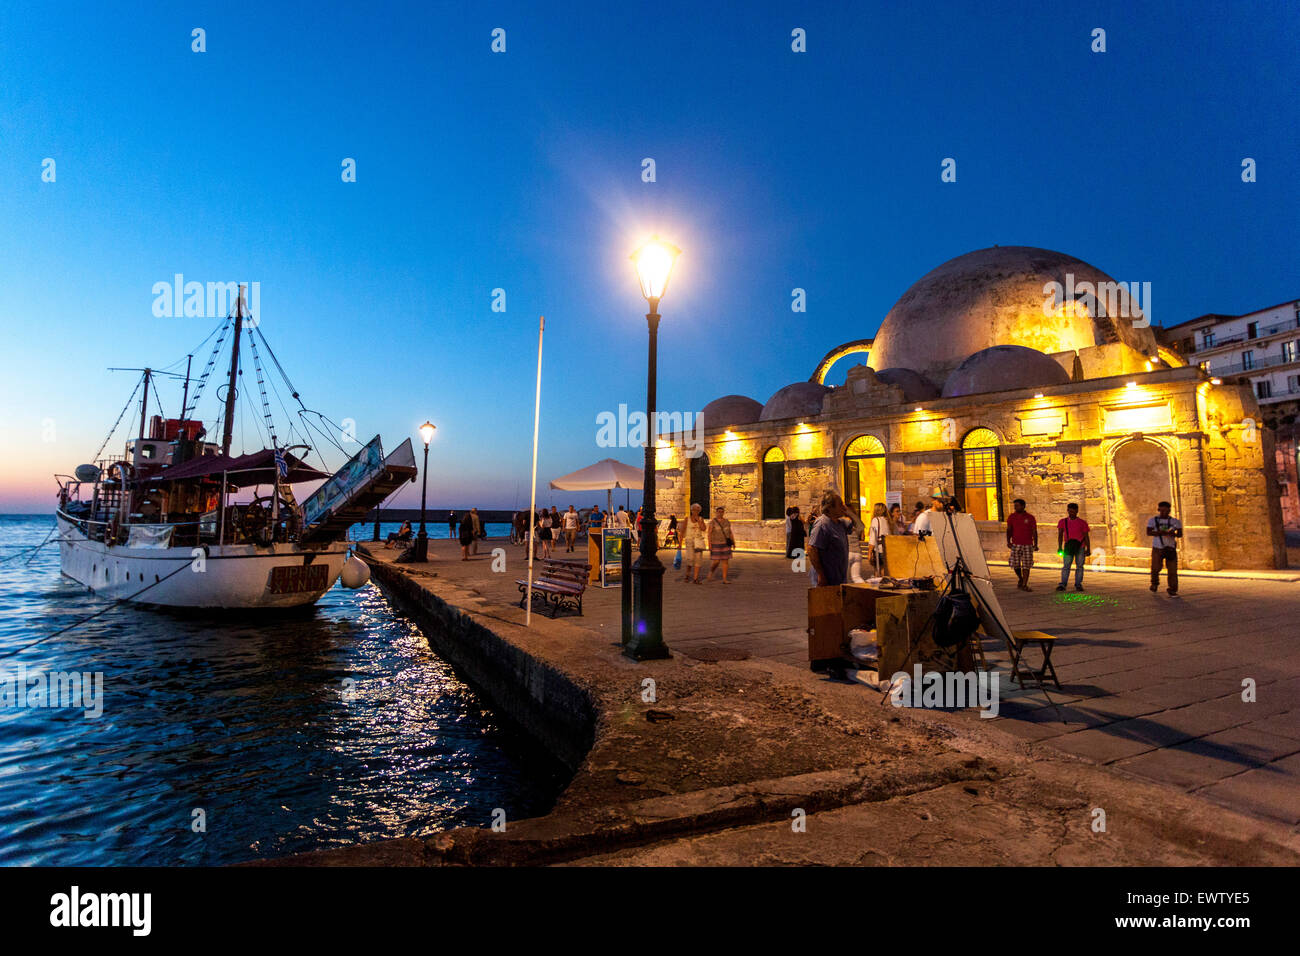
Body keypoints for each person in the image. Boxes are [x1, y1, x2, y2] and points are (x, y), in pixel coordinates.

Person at [807, 491, 850, 587]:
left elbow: (860, 527)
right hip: (826, 580)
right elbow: (811, 549)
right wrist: (821, 574)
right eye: (840, 505)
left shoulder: (841, 523)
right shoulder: (822, 524)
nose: (844, 507)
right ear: (830, 508)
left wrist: (849, 512)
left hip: (838, 578)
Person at [1148, 500, 1183, 596]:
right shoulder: (1153, 520)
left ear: (1169, 511)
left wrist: (1173, 533)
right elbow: (1149, 532)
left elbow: (1180, 534)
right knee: (1155, 568)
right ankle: (1154, 583)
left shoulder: (1175, 522)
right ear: (1158, 510)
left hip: (1170, 547)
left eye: (1166, 511)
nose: (1164, 513)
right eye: (1162, 511)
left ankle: (1172, 589)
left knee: (1172, 570)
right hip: (1157, 547)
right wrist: (1160, 532)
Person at [1056, 502, 1091, 591]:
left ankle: (1078, 584)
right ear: (1067, 511)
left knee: (1079, 566)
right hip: (1068, 547)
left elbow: (1086, 536)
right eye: (1070, 511)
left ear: (1077, 511)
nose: (1072, 513)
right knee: (1066, 566)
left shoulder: (1082, 523)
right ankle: (1063, 584)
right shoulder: (1062, 522)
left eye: (1073, 512)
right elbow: (1060, 535)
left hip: (1080, 546)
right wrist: (1060, 547)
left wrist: (1088, 548)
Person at [1006, 498, 1038, 591]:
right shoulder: (1011, 517)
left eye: (1017, 505)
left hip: (1027, 544)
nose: (1015, 507)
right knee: (1015, 564)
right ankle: (1020, 578)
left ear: (1023, 506)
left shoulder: (1030, 517)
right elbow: (1009, 529)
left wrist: (1035, 544)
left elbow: (1034, 531)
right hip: (1016, 543)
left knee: (1026, 564)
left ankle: (1024, 584)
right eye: (1015, 506)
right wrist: (1008, 541)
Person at [705, 505, 734, 583]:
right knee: (716, 561)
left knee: (725, 561)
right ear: (716, 513)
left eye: (722, 512)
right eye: (719, 512)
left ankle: (725, 579)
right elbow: (709, 533)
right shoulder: (713, 522)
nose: (720, 513)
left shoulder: (727, 521)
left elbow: (730, 532)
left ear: (723, 513)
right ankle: (711, 571)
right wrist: (709, 544)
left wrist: (733, 542)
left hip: (726, 543)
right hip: (715, 543)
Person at [680, 504, 708, 584]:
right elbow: (682, 531)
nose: (696, 512)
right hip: (689, 541)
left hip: (698, 541)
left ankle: (695, 578)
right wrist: (680, 544)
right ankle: (687, 575)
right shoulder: (687, 519)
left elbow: (703, 529)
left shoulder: (700, 519)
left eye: (697, 510)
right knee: (690, 559)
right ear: (691, 510)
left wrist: (699, 521)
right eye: (694, 510)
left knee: (698, 559)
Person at [867, 502, 890, 576]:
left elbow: (873, 538)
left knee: (877, 570)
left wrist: (869, 552)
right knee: (883, 569)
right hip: (886, 548)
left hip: (879, 549)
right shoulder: (887, 520)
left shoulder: (875, 520)